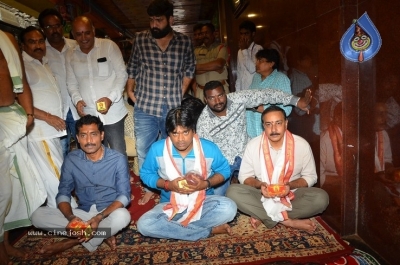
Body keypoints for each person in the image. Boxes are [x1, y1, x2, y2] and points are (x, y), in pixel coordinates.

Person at [126, 0, 195, 205]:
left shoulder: (184, 42)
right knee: (144, 150)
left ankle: (172, 184)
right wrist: (130, 89)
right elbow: (133, 67)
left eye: (159, 20)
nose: (154, 24)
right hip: (145, 106)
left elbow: (190, 68)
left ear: (171, 20)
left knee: (172, 147)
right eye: (151, 20)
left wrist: (180, 91)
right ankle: (150, 187)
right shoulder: (140, 39)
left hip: (172, 108)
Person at [31, 115, 131, 255]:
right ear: (77, 138)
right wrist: (71, 218)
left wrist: (98, 218)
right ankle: (103, 234)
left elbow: (124, 196)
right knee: (37, 216)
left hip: (108, 213)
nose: (89, 141)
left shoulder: (117, 159)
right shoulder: (72, 159)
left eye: (93, 134)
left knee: (123, 216)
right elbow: (63, 193)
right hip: (82, 213)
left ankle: (72, 241)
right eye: (83, 135)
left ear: (102, 135)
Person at [136, 107, 237, 241]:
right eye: (175, 133)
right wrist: (167, 185)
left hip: (203, 202)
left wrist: (205, 184)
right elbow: (146, 173)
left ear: (193, 130)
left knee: (229, 208)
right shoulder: (157, 149)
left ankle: (174, 228)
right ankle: (207, 231)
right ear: (168, 133)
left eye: (185, 132)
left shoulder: (208, 148)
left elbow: (224, 170)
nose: (180, 139)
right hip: (170, 205)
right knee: (144, 225)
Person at [196, 80, 311, 196]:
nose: (217, 101)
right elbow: (206, 155)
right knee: (218, 196)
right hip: (224, 163)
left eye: (220, 95)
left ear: (225, 93)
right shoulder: (203, 123)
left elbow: (265, 94)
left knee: (267, 184)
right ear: (205, 100)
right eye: (211, 98)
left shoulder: (238, 99)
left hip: (246, 153)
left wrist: (296, 101)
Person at [226, 106, 329, 232]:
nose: (273, 129)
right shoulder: (253, 145)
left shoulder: (301, 144)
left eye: (278, 123)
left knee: (321, 198)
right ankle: (288, 221)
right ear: (263, 125)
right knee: (232, 191)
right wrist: (260, 185)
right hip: (262, 194)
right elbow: (244, 177)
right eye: (268, 124)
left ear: (286, 124)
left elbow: (311, 177)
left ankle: (263, 215)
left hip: (292, 194)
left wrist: (289, 186)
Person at [0, 29, 46, 265]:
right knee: (2, 191)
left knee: (16, 187)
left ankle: (5, 244)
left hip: (13, 119)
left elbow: (21, 82)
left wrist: (28, 114)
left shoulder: (6, 38)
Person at [20, 26, 68, 209]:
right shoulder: (22, 66)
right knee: (54, 172)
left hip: (50, 131)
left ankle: (59, 207)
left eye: (40, 41)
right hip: (40, 131)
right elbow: (20, 101)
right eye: (32, 42)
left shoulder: (43, 62)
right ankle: (66, 210)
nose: (38, 45)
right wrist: (48, 117)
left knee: (53, 170)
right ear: (23, 45)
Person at [66, 16, 128, 156]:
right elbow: (71, 83)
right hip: (89, 114)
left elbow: (122, 75)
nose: (83, 37)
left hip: (113, 114)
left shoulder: (108, 46)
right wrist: (77, 100)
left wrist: (110, 99)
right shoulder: (70, 54)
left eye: (87, 32)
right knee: (94, 154)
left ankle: (121, 178)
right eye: (78, 34)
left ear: (93, 30)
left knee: (118, 152)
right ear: (73, 35)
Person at [38, 8, 79, 158]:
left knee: (86, 147)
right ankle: (65, 180)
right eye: (48, 27)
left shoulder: (76, 46)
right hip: (56, 112)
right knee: (62, 152)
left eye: (57, 25)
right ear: (42, 29)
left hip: (78, 108)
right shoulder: (40, 51)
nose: (54, 30)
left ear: (62, 26)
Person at [246, 49, 292, 139]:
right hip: (252, 129)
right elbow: (248, 97)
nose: (257, 64)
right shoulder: (256, 77)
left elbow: (287, 108)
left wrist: (264, 108)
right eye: (257, 61)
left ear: (271, 63)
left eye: (261, 61)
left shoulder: (281, 79)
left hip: (271, 131)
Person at [194, 23, 230, 101]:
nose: (204, 35)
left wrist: (197, 67)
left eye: (207, 32)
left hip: (220, 91)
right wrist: (214, 67)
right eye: (202, 33)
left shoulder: (221, 48)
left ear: (213, 33)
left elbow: (219, 64)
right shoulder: (196, 51)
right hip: (201, 92)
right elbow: (191, 69)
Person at [235, 20, 263, 92]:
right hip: (243, 91)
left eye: (246, 34)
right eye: (241, 34)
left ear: (253, 34)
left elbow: (253, 69)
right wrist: (237, 92)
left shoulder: (258, 49)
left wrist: (244, 50)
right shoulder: (240, 51)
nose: (243, 37)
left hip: (254, 91)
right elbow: (239, 73)